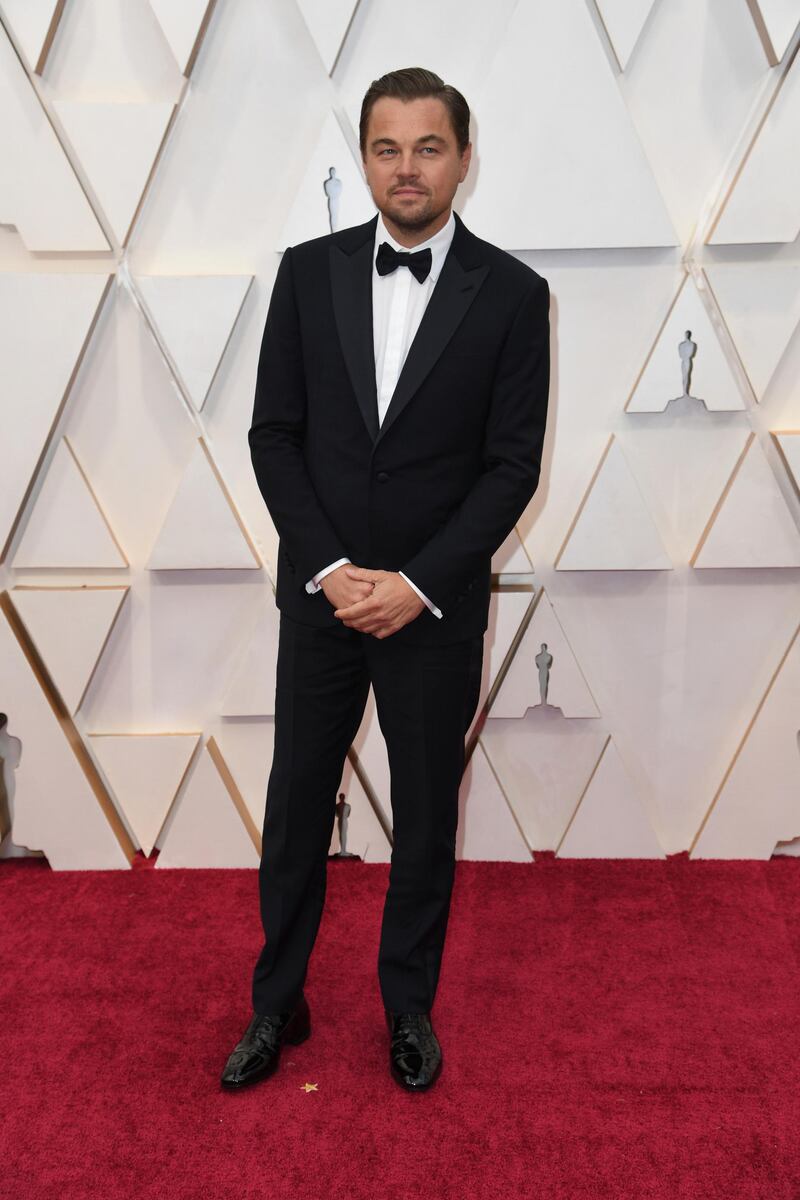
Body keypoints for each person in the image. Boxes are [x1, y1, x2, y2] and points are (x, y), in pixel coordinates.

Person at [221, 66, 551, 1093]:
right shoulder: (305, 273)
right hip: (320, 601)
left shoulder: (511, 294)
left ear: (462, 157)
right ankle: (277, 1003)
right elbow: (273, 435)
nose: (404, 169)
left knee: (421, 819)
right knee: (292, 811)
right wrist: (328, 570)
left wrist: (413, 583)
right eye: (384, 147)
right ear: (362, 156)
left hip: (432, 607)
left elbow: (510, 469)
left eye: (426, 148)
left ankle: (406, 1006)